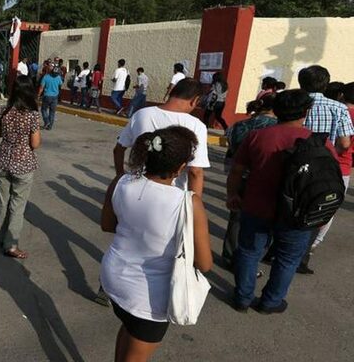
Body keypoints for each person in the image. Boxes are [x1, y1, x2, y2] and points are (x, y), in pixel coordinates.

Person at [101, 126, 212, 361]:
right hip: (148, 299)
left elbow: (107, 225)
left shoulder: (121, 181)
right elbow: (204, 264)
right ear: (181, 167)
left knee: (128, 327)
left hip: (113, 278)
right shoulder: (188, 203)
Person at [227, 89, 335, 313]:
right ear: (306, 112)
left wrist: (233, 194)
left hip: (257, 206)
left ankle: (242, 298)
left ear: (276, 110)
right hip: (297, 212)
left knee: (249, 252)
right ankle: (271, 302)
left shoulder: (257, 136)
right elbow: (329, 180)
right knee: (287, 259)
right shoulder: (319, 142)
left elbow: (237, 170)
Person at [297, 66, 354, 273]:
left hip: (295, 163)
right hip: (328, 167)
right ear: (326, 83)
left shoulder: (294, 102)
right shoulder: (338, 108)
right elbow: (345, 143)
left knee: (291, 203)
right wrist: (329, 153)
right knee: (320, 208)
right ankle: (304, 254)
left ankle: (277, 248)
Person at [114, 78, 209, 196]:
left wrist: (120, 177)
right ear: (195, 100)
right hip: (173, 196)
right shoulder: (197, 125)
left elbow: (118, 149)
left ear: (172, 92)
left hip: (135, 190)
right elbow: (195, 171)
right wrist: (195, 202)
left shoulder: (141, 114)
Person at [221, 94, 277, 268]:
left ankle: (230, 255)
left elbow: (231, 145)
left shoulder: (240, 125)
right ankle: (249, 261)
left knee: (236, 218)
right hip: (264, 180)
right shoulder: (277, 128)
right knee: (261, 223)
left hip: (239, 176)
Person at [0, 76, 41, 259]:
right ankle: (11, 245)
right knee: (17, 205)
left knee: (3, 201)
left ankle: (1, 237)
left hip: (3, 161)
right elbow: (35, 144)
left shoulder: (2, 110)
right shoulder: (32, 115)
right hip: (23, 164)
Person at [313, 82, 354, 252]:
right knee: (329, 206)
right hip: (341, 166)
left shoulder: (333, 109)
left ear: (342, 95)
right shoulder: (341, 111)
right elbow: (345, 144)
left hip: (316, 159)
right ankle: (314, 242)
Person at [38, 62, 63, 130]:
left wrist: (38, 95)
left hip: (47, 96)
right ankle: (50, 126)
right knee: (52, 112)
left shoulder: (46, 77)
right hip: (55, 97)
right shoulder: (58, 77)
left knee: (44, 109)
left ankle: (47, 121)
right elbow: (60, 85)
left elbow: (41, 88)